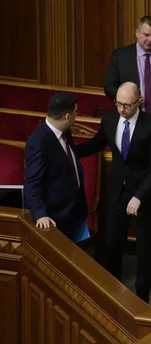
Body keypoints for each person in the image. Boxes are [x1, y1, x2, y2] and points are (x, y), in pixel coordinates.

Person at [76, 82, 151, 303]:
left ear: (139, 102)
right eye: (117, 103)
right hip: (117, 190)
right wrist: (68, 148)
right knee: (112, 243)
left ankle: (142, 300)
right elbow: (97, 144)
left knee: (144, 249)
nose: (121, 109)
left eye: (126, 105)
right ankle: (111, 294)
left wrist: (139, 196)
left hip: (142, 194)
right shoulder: (109, 118)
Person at [24, 93, 88, 241]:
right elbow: (32, 183)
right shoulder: (39, 142)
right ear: (67, 116)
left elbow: (68, 156)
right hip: (55, 218)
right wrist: (40, 214)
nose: (76, 116)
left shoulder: (64, 132)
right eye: (75, 113)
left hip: (73, 209)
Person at [104, 16, 151, 125]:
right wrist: (127, 99)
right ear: (137, 33)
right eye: (146, 35)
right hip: (132, 120)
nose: (150, 40)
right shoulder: (120, 56)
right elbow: (109, 87)